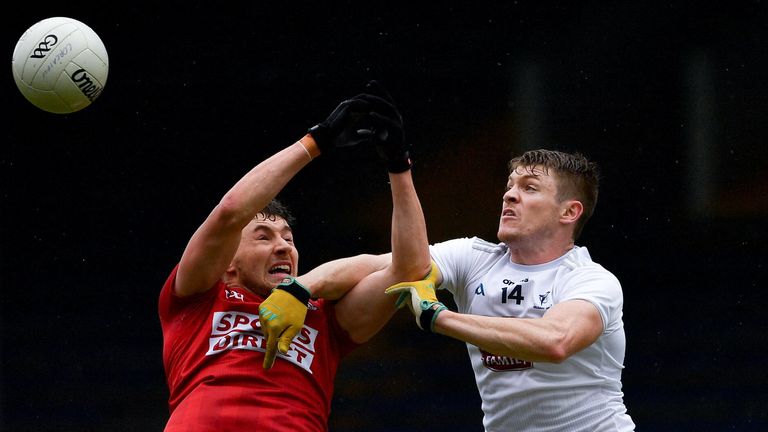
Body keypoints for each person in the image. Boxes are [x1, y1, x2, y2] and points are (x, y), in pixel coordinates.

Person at [158, 82, 430, 432]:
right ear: (227, 264)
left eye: (288, 238)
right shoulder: (197, 299)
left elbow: (409, 268)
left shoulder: (323, 318)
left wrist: (398, 164)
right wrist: (317, 141)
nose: (284, 246)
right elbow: (231, 212)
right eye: (263, 236)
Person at [387, 149, 636, 431]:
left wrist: (437, 317)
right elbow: (400, 267)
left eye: (529, 188)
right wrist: (399, 168)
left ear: (569, 212)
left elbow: (556, 341)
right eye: (510, 186)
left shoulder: (590, 279)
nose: (509, 195)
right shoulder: (472, 258)